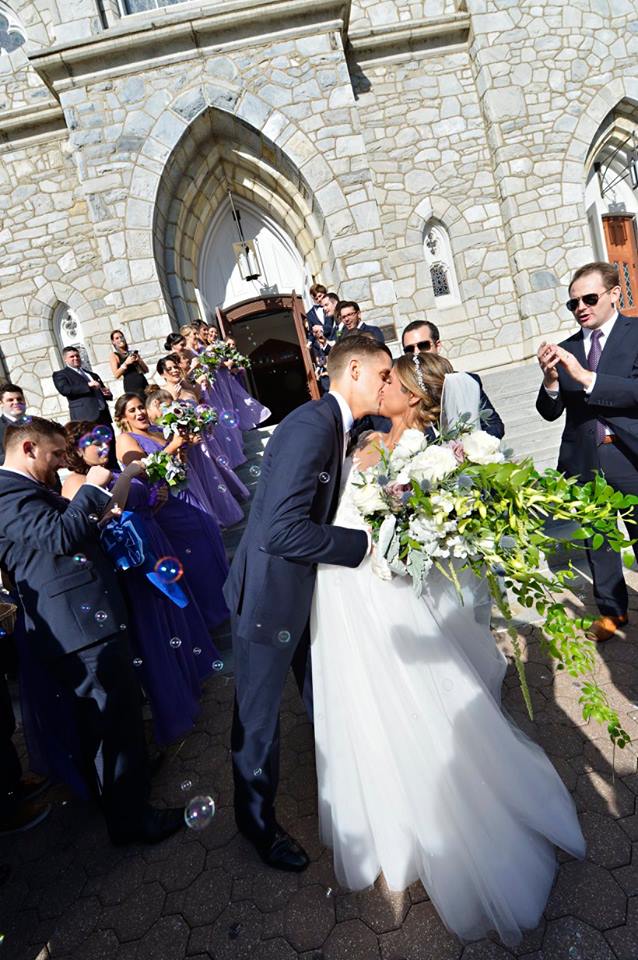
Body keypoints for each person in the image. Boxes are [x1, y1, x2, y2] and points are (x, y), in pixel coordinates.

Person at [311, 353, 585, 945]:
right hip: (346, 594)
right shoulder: (371, 434)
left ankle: (449, 827)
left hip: (377, 591)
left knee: (407, 700)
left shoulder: (417, 454)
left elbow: (401, 528)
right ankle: (392, 816)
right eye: (380, 375)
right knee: (365, 704)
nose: (382, 384)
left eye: (391, 380)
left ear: (412, 397)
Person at [224, 335, 392, 872]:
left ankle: (354, 790)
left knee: (325, 691)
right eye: (384, 375)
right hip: (268, 597)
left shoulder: (340, 425)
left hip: (306, 592)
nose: (388, 384)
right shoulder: (312, 427)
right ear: (357, 370)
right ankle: (256, 823)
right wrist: (361, 547)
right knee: (258, 718)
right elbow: (281, 531)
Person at [0, 417, 183, 844]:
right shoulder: (6, 493)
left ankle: (123, 788)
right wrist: (89, 488)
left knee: (110, 719)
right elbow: (59, 535)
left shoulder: (27, 488)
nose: (61, 461)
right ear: (28, 448)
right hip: (77, 629)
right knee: (111, 721)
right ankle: (132, 819)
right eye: (54, 454)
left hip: (85, 621)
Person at [62, 421, 221, 746]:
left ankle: (188, 684)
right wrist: (126, 476)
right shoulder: (77, 482)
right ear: (77, 450)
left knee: (174, 620)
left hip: (153, 546)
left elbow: (135, 503)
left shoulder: (104, 472)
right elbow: (103, 518)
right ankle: (172, 708)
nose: (102, 447)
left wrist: (154, 497)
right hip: (133, 565)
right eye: (94, 442)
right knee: (154, 632)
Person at [536, 260, 638, 641]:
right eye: (573, 302)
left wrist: (587, 378)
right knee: (599, 543)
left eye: (589, 298)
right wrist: (550, 381)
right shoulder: (565, 349)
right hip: (586, 461)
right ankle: (613, 613)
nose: (581, 307)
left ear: (615, 294)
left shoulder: (635, 333)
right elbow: (549, 412)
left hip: (630, 458)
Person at [402, 320, 505, 439]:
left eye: (423, 345)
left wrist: (471, 448)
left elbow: (494, 425)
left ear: (438, 345)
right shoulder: (403, 393)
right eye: (409, 350)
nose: (417, 353)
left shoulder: (467, 381)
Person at [52, 346, 113, 426]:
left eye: (77, 356)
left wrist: (107, 394)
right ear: (65, 359)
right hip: (85, 417)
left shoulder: (92, 374)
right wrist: (88, 385)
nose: (76, 358)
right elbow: (65, 390)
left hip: (104, 416)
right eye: (72, 356)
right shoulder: (61, 375)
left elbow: (102, 390)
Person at [109, 330, 149, 394]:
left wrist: (139, 360)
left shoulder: (132, 353)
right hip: (131, 386)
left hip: (144, 383)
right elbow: (116, 375)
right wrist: (126, 363)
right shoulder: (114, 355)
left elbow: (146, 370)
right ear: (113, 342)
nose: (120, 339)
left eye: (121, 337)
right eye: (117, 338)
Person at [0, 382, 27, 465]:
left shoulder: (37, 423)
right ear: (1, 403)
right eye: (10, 400)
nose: (16, 402)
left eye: (19, 399)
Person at [310, 323, 331, 394]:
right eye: (314, 332)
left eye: (318, 331)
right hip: (325, 376)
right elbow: (318, 360)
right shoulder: (314, 345)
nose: (317, 333)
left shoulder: (329, 338)